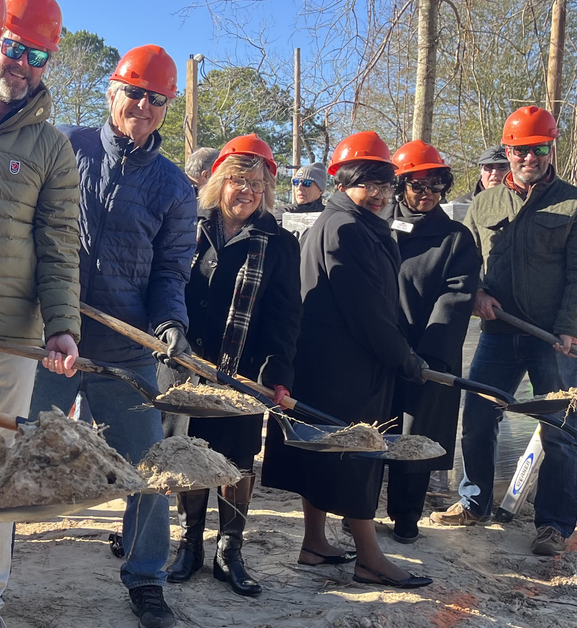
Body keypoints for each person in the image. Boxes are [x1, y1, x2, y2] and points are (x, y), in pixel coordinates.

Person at [27, 44, 196, 628]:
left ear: (166, 108)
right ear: (111, 91)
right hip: (49, 338)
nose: (143, 106)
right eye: (134, 92)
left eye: (156, 99)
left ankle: (146, 577)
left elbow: (172, 273)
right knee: (17, 456)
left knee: (148, 467)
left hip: (126, 352)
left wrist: (171, 325)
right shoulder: (64, 147)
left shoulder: (175, 189)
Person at [0, 0, 82, 628]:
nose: (19, 60)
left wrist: (61, 326)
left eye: (35, 52)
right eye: (10, 44)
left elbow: (59, 242)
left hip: (9, 334)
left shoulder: (53, 148)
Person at [262, 131, 431, 590]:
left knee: (324, 452)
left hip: (324, 363)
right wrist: (404, 358)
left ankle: (315, 542)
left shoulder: (346, 223)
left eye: (384, 184)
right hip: (348, 367)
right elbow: (369, 312)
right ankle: (370, 558)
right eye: (365, 183)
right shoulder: (347, 229)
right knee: (359, 453)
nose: (376, 194)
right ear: (340, 182)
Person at [432, 106, 577, 557]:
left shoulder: (576, 204)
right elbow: (465, 264)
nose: (530, 158)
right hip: (499, 334)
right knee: (478, 417)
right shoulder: (485, 204)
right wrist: (478, 294)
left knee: (560, 430)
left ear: (551, 149)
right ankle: (474, 503)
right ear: (507, 151)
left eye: (539, 149)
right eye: (521, 150)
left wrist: (569, 328)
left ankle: (554, 525)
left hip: (552, 339)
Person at [166, 134, 300, 597]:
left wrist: (277, 373)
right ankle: (189, 543)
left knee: (237, 461)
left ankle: (230, 549)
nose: (248, 192)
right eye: (239, 181)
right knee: (189, 454)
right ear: (219, 180)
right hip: (186, 364)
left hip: (244, 369)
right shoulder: (187, 226)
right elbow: (166, 283)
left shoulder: (278, 243)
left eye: (258, 185)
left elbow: (286, 315)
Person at [384, 140, 480, 543]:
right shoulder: (376, 223)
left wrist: (426, 356)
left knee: (415, 436)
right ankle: (357, 512)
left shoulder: (455, 238)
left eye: (436, 186)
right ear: (400, 185)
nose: (426, 195)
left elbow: (455, 299)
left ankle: (407, 515)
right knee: (373, 429)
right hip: (377, 349)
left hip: (428, 354)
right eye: (417, 186)